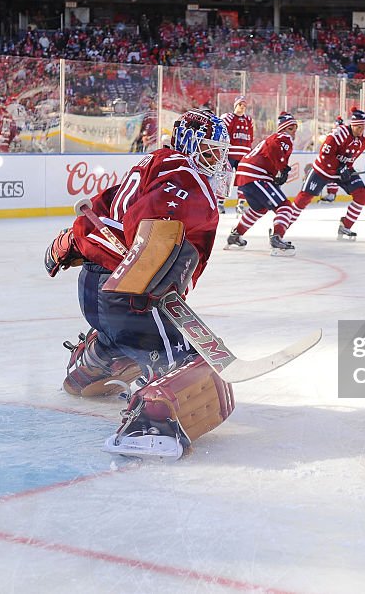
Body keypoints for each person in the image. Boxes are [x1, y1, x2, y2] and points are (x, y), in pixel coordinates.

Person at [44, 108, 234, 459]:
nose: (217, 160)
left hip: (96, 286)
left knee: (129, 340)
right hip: (129, 293)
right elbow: (154, 227)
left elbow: (106, 207)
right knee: (188, 367)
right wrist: (151, 278)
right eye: (210, 150)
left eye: (219, 152)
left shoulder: (155, 164)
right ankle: (149, 429)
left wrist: (72, 241)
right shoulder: (185, 176)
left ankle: (94, 363)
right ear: (191, 144)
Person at [273, 108, 365, 242]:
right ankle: (280, 230)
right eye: (358, 127)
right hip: (323, 170)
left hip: (345, 170)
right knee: (302, 200)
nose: (361, 130)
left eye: (363, 127)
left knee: (362, 196)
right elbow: (325, 156)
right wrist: (338, 168)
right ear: (351, 125)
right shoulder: (337, 135)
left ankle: (345, 226)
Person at [226, 112, 299, 255]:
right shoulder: (283, 137)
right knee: (285, 208)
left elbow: (270, 152)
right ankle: (277, 237)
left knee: (258, 209)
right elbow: (274, 148)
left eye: (295, 128)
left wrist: (277, 173)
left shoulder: (274, 137)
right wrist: (283, 169)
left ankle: (236, 235)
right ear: (283, 128)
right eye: (291, 128)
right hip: (256, 176)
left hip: (246, 175)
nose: (293, 132)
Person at [221, 95, 255, 214]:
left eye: (245, 105)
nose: (243, 107)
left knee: (243, 179)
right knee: (225, 177)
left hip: (244, 156)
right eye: (241, 104)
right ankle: (220, 202)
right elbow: (223, 135)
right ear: (236, 105)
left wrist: (249, 153)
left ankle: (240, 203)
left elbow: (251, 137)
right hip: (230, 155)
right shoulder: (228, 118)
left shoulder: (249, 120)